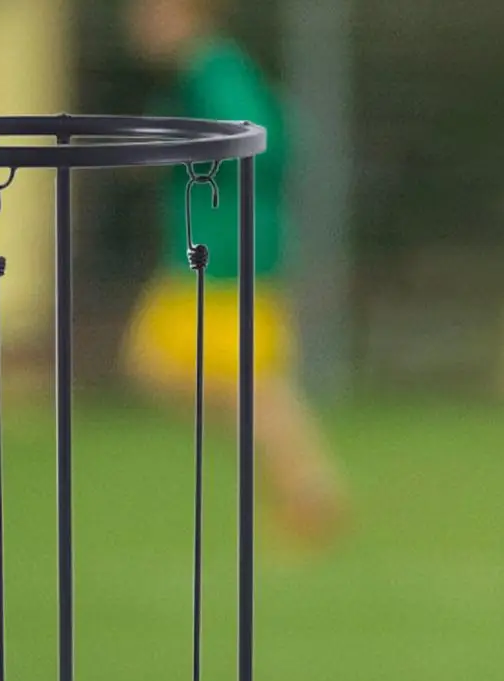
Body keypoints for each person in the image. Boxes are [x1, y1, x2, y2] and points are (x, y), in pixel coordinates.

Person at [123, 0, 347, 547]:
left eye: (154, 13)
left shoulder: (213, 69)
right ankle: (306, 488)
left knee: (227, 384)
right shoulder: (204, 74)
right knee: (204, 379)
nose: (140, 23)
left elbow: (269, 142)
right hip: (219, 253)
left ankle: (310, 490)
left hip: (224, 256)